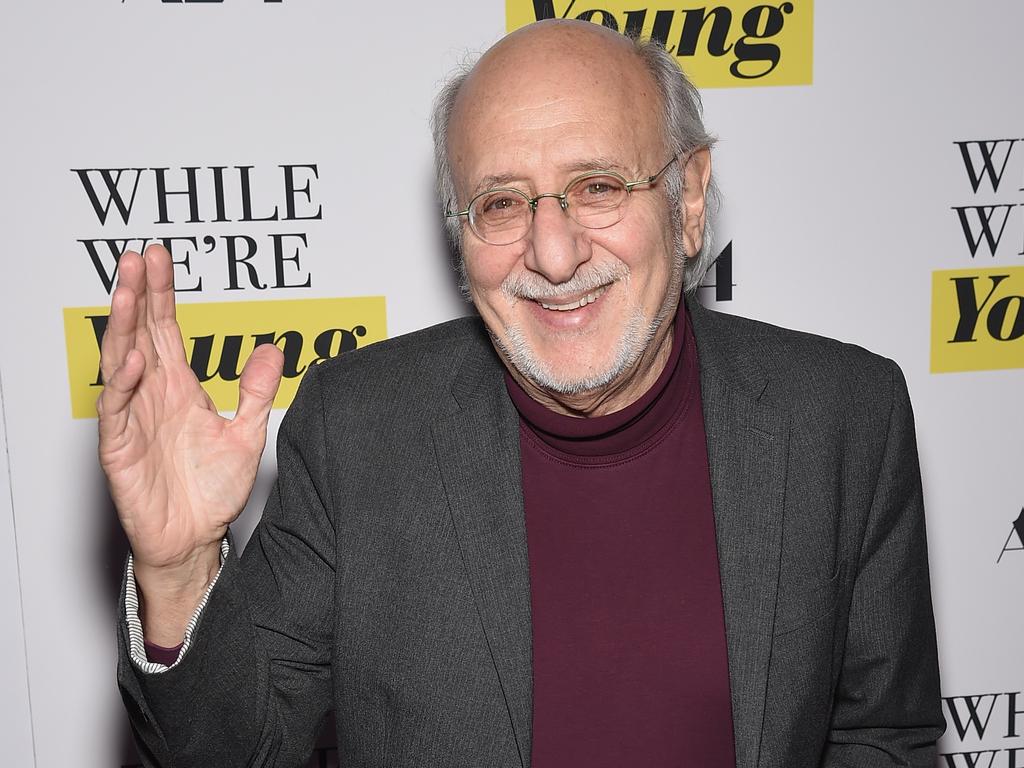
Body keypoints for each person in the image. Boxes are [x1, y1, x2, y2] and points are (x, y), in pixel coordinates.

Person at [104, 19, 943, 768]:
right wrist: (176, 573)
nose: (551, 252)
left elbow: (883, 734)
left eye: (599, 186)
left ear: (687, 199)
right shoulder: (355, 429)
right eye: (501, 203)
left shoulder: (844, 416)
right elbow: (231, 752)